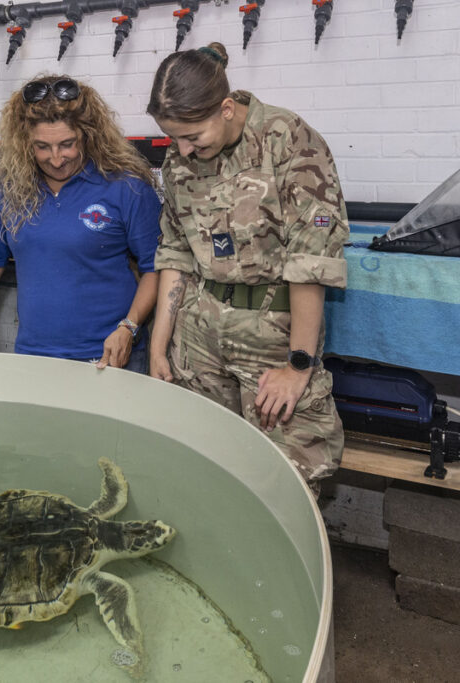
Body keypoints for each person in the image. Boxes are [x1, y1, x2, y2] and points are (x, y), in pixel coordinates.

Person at [146, 43, 348, 486]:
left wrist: (298, 367)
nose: (182, 148)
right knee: (201, 469)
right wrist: (159, 347)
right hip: (198, 334)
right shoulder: (180, 156)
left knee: (283, 481)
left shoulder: (287, 138)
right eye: (172, 138)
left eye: (193, 136)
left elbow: (309, 261)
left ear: (226, 108)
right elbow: (176, 251)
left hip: (271, 336)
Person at [0, 75, 161, 378]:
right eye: (42, 147)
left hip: (109, 358)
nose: (55, 158)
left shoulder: (126, 188)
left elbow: (157, 268)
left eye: (67, 144)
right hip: (34, 360)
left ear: (87, 135)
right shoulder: (10, 189)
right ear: (26, 142)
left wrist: (129, 327)